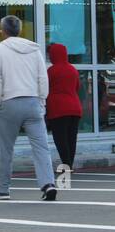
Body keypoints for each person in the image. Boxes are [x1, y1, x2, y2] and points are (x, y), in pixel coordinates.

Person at [0, 15, 57, 201]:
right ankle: (48, 184)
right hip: (33, 101)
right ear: (20, 30)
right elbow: (43, 77)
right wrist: (42, 99)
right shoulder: (34, 49)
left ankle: (2, 190)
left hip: (9, 102)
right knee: (41, 147)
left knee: (6, 149)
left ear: (2, 31)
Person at [45, 42, 82, 175]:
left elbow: (45, 89)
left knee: (60, 139)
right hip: (75, 107)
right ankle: (69, 164)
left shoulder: (51, 70)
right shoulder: (73, 69)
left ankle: (66, 165)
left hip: (58, 108)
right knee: (71, 138)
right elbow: (77, 87)